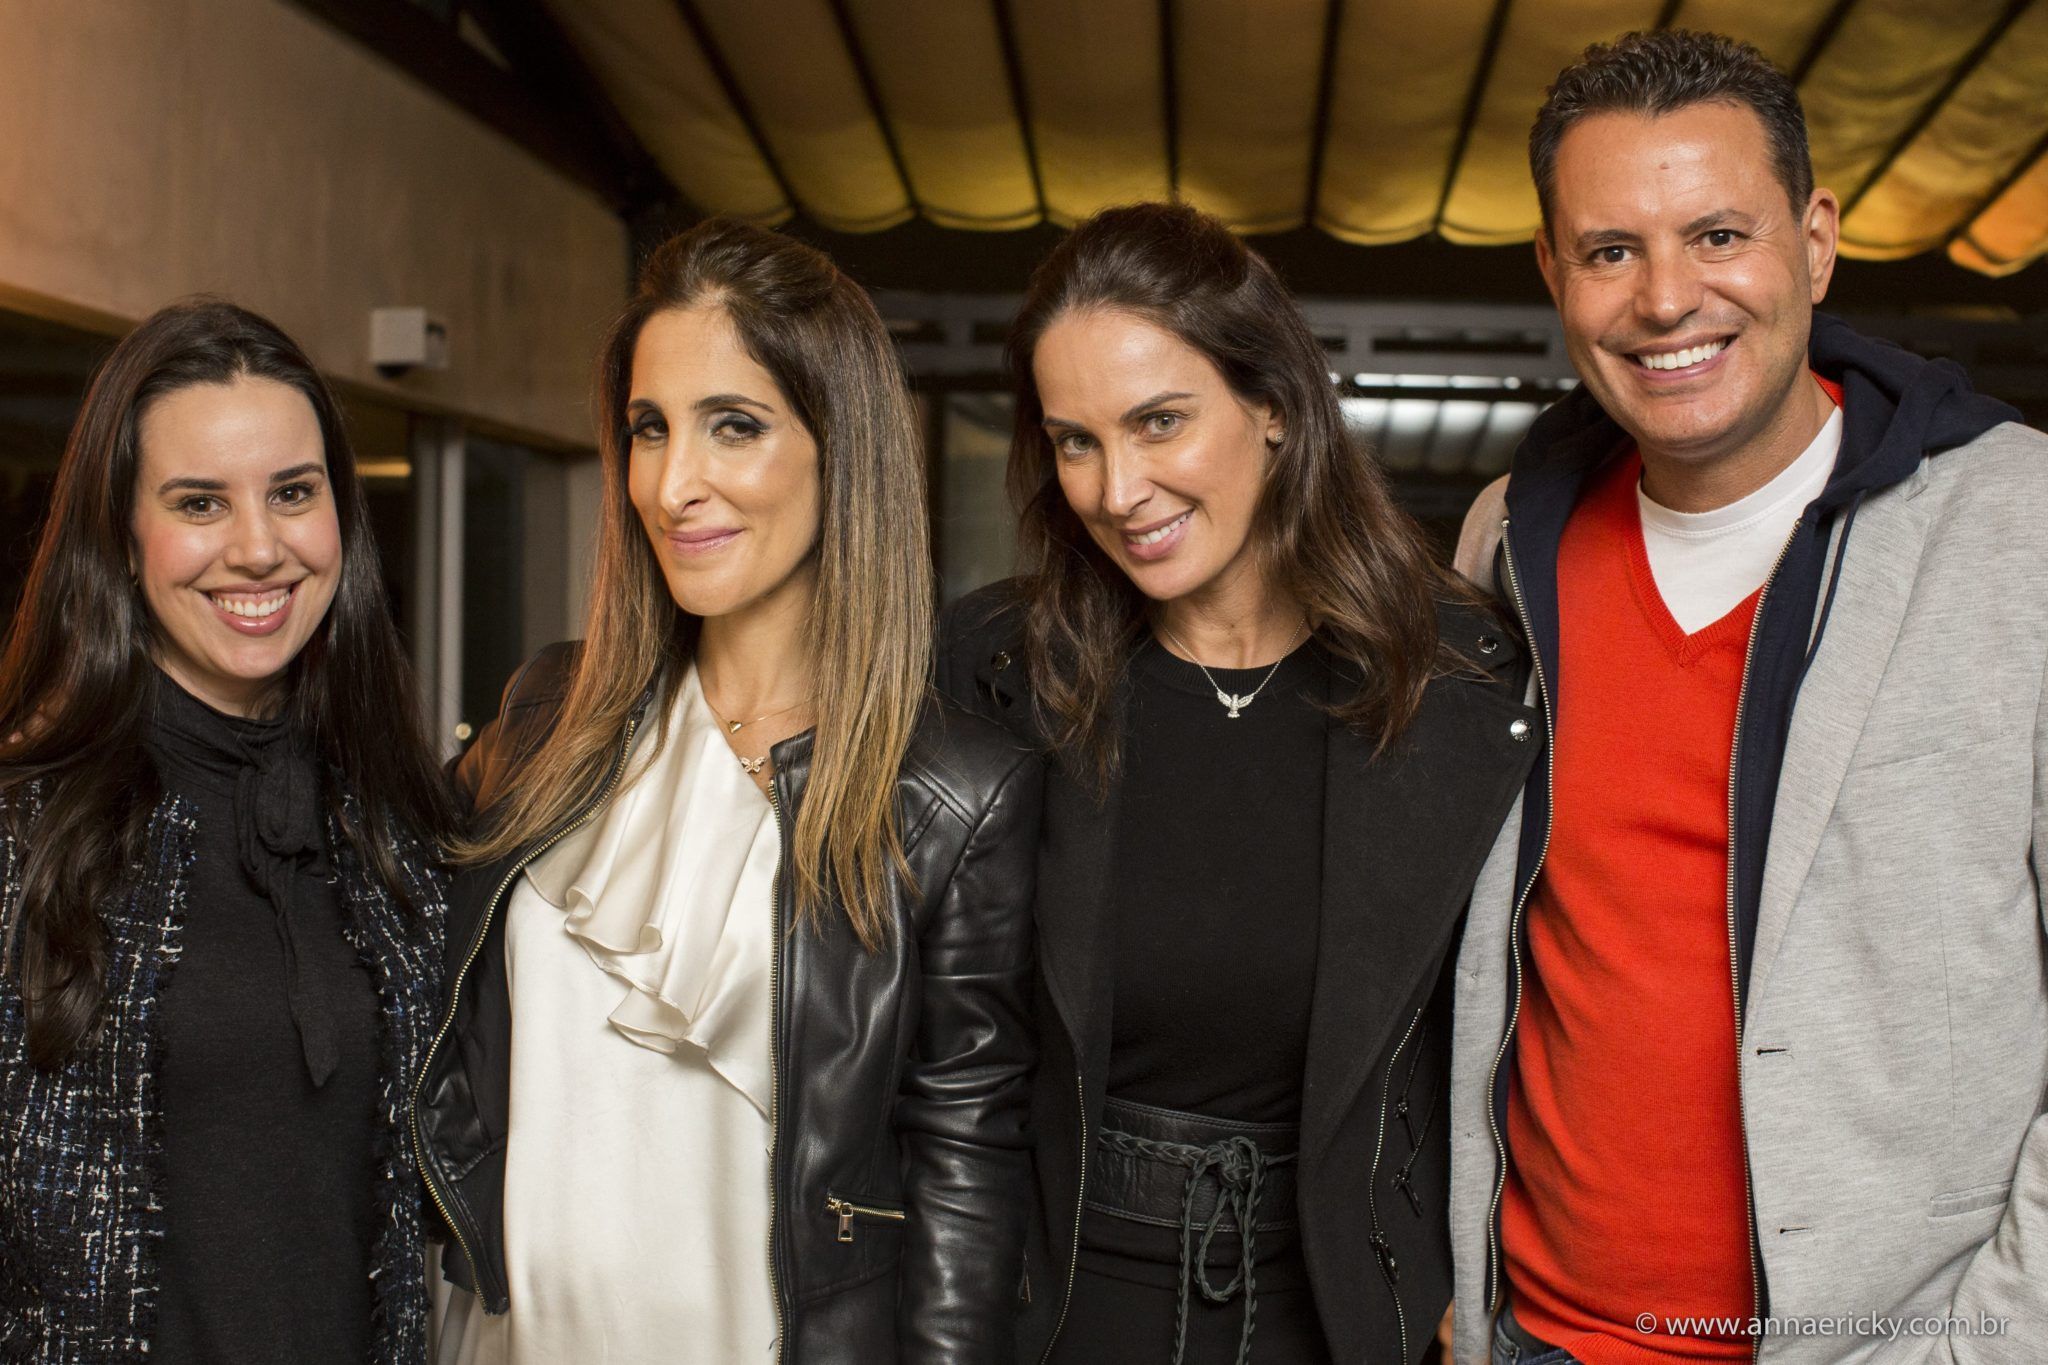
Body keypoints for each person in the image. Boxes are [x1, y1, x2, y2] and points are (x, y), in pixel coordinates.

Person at [1449, 30, 2048, 1365]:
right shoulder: (1507, 542)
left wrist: (1996, 1342)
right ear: (1552, 273)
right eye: (1610, 251)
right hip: (1536, 1338)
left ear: (1815, 242)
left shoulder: (2019, 530)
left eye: (1717, 235)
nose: (1666, 299)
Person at [413, 218, 1041, 1364]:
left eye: (734, 426)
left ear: (839, 447)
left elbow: (965, 1170)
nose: (672, 484)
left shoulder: (953, 793)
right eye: (648, 429)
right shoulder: (548, 713)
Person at [937, 202, 1539, 1365]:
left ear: (1273, 406)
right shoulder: (992, 674)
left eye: (1158, 421)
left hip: (1342, 1308)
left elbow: (1519, 1022)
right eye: (1073, 441)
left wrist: (1461, 1271)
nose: (1117, 489)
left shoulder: (1461, 687)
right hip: (1046, 1304)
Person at [0, 299, 451, 1362]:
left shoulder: (402, 828)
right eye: (200, 502)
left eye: (293, 493)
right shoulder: (23, 834)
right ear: (123, 537)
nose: (258, 548)